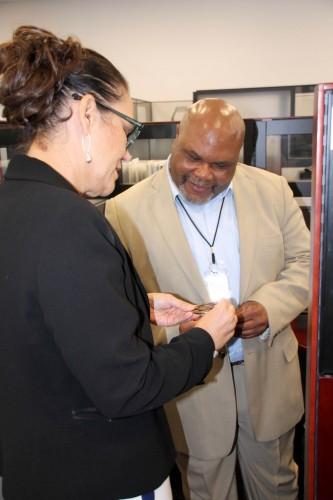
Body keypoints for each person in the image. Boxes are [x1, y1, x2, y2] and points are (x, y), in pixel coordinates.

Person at [0, 27, 238, 500]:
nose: (129, 150)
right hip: (102, 471)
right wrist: (204, 340)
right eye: (129, 129)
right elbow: (130, 387)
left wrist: (137, 305)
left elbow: (34, 313)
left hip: (35, 467)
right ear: (88, 113)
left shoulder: (14, 203)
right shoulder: (71, 223)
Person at [106, 98, 310, 499]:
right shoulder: (122, 211)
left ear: (239, 156)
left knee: (279, 486)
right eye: (192, 157)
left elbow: (305, 262)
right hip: (189, 389)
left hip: (268, 374)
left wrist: (270, 307)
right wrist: (177, 330)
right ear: (176, 138)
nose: (203, 174)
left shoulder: (272, 191)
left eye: (221, 166)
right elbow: (122, 307)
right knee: (206, 491)